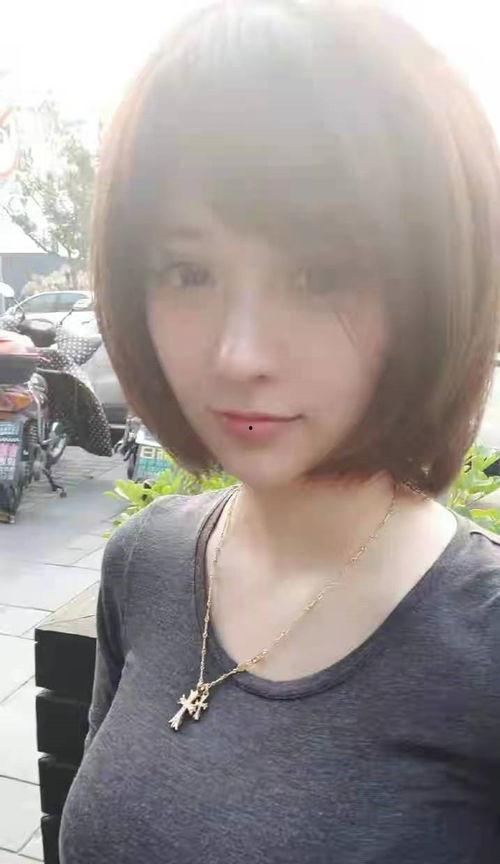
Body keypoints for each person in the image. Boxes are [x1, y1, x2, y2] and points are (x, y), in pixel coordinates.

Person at [58, 1, 500, 862]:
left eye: (320, 274)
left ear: (433, 289)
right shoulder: (142, 563)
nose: (240, 354)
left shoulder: (481, 649)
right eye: (189, 271)